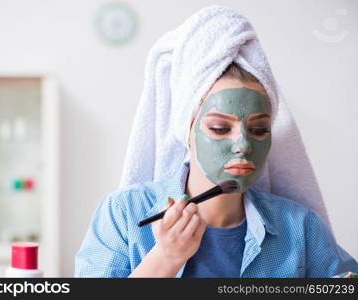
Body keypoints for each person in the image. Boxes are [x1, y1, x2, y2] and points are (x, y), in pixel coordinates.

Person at [74, 6, 358, 278]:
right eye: (220, 128)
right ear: (187, 131)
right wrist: (165, 259)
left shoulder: (299, 227)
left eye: (259, 129)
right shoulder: (125, 214)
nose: (243, 145)